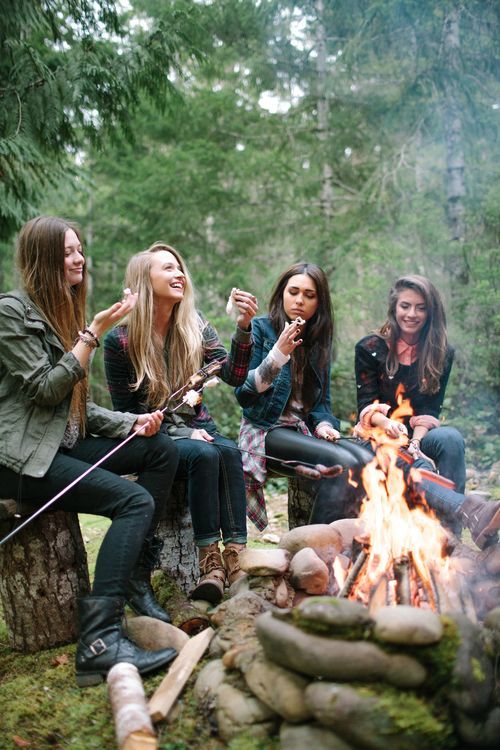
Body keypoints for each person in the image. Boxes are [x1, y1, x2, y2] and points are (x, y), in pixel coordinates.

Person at [0, 216, 180, 687]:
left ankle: (135, 573)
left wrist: (133, 423)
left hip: (59, 445)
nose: (78, 259)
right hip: (20, 461)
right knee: (133, 499)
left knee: (159, 448)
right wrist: (92, 333)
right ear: (42, 259)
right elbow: (45, 391)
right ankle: (99, 643)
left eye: (79, 250)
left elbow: (79, 408)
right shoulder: (10, 313)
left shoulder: (62, 313)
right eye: (67, 252)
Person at [103, 243, 258, 605]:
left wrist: (244, 328)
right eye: (168, 269)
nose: (179, 275)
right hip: (154, 439)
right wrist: (182, 432)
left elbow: (234, 375)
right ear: (145, 280)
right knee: (204, 454)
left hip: (199, 429)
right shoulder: (120, 340)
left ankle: (236, 557)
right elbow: (125, 413)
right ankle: (210, 563)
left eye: (180, 269)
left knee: (230, 451)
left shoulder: (195, 323)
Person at [354, 273, 499, 548]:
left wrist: (416, 442)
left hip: (417, 434)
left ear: (431, 311)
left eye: (421, 307)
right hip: (378, 435)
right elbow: (366, 407)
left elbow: (430, 408)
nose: (412, 314)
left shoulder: (441, 352)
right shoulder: (370, 348)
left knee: (450, 438)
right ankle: (472, 511)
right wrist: (389, 427)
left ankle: (451, 535)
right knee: (403, 458)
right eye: (405, 306)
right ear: (394, 308)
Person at [235, 262, 371, 531]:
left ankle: (347, 549)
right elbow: (245, 394)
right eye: (293, 292)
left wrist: (324, 425)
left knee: (367, 462)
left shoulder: (318, 340)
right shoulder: (261, 329)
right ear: (281, 294)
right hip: (265, 430)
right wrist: (278, 354)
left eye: (309, 295)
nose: (299, 300)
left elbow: (322, 404)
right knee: (341, 464)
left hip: (302, 431)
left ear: (319, 302)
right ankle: (314, 550)